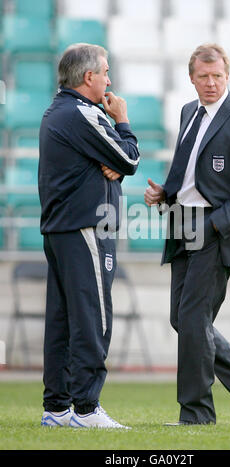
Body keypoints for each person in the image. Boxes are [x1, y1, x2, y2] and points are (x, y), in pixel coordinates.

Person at [144, 43, 230, 425]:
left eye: (217, 76)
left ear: (227, 76)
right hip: (181, 223)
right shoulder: (189, 111)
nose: (210, 83)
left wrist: (213, 226)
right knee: (184, 319)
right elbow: (187, 171)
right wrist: (164, 193)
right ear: (191, 78)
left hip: (217, 229)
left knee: (192, 317)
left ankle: (197, 413)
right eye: (203, 77)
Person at [39, 43, 140, 428]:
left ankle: (58, 408)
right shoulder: (82, 113)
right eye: (106, 72)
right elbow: (129, 158)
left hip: (62, 229)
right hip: (86, 228)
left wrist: (110, 159)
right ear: (89, 77)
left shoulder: (56, 111)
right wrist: (123, 122)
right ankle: (86, 408)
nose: (110, 80)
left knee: (62, 320)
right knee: (93, 318)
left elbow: (116, 162)